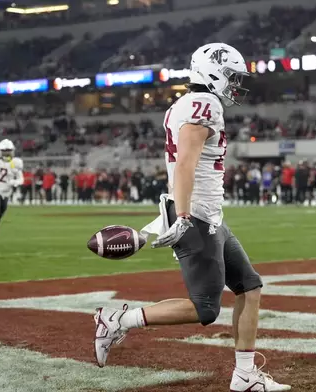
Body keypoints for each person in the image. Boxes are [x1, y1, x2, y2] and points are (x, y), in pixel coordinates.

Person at [93, 43, 290, 392]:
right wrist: (182, 215)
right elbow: (185, 162)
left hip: (208, 216)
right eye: (231, 77)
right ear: (210, 71)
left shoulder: (187, 104)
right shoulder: (205, 104)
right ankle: (119, 320)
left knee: (250, 286)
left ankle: (245, 374)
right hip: (196, 216)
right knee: (205, 309)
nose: (235, 85)